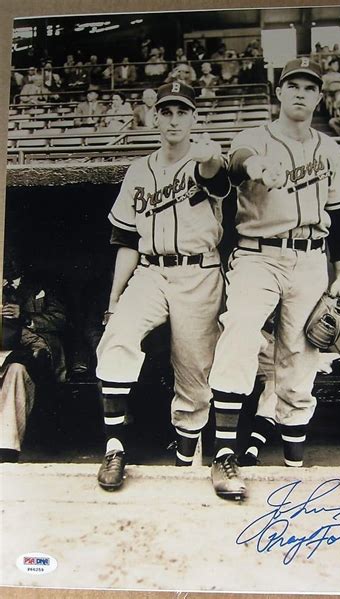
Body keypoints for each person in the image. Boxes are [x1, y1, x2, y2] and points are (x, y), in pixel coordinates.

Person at [208, 57, 340, 499]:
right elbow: (236, 163)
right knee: (238, 336)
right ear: (279, 91)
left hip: (312, 258)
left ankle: (295, 463)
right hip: (259, 255)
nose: (299, 92)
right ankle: (223, 455)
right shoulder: (255, 137)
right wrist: (255, 169)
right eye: (292, 84)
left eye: (308, 87)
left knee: (301, 353)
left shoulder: (329, 148)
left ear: (317, 96)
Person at [95, 81, 231, 491]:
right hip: (151, 271)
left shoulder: (207, 159)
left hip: (199, 272)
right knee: (117, 336)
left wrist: (210, 162)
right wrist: (114, 300)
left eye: (182, 112)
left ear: (194, 118)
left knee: (194, 376)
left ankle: (186, 459)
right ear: (155, 117)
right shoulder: (139, 171)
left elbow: (218, 181)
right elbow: (126, 241)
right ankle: (115, 448)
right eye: (166, 111)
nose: (174, 119)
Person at [0, 251, 67, 462]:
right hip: (5, 347)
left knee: (18, 369)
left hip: (33, 350)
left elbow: (60, 319)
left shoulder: (40, 286)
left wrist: (25, 316)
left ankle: (6, 449)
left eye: (12, 258)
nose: (8, 263)